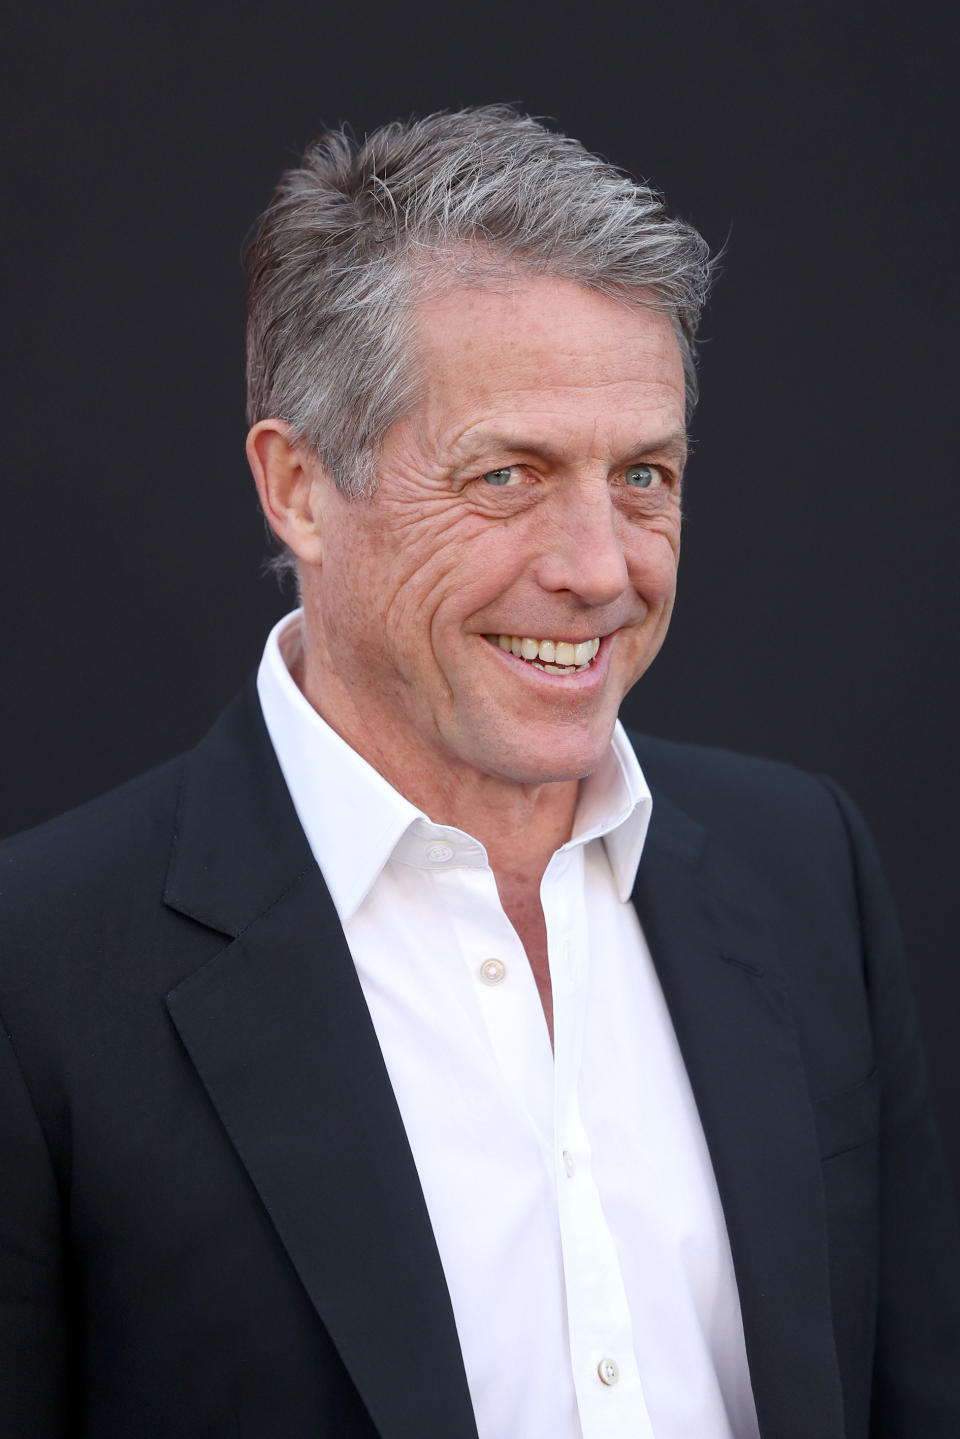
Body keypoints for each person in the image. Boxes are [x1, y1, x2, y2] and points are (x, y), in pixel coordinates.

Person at [1, 106, 957, 1439]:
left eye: (643, 474)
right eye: (509, 474)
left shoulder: (804, 867)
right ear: (299, 489)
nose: (601, 567)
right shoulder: (37, 970)